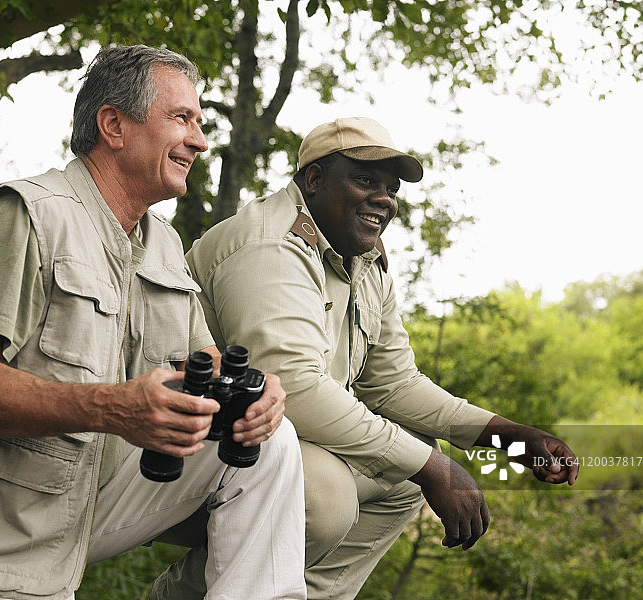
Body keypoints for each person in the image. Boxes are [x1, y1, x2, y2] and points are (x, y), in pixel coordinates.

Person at [0, 44, 307, 600]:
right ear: (113, 124)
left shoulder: (162, 242)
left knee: (270, 440)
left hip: (92, 501)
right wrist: (114, 408)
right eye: (181, 119)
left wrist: (256, 394)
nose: (201, 141)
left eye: (200, 123)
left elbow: (200, 365)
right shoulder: (22, 215)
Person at [185, 117, 579, 599]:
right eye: (365, 180)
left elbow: (393, 384)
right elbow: (296, 387)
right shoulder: (270, 246)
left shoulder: (362, 261)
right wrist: (433, 469)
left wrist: (510, 435)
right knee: (325, 496)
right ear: (313, 180)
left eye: (390, 189)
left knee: (409, 467)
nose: (384, 199)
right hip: (180, 444)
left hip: (263, 438)